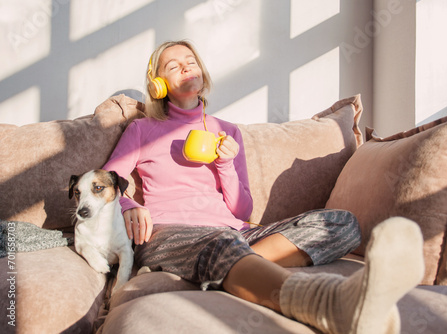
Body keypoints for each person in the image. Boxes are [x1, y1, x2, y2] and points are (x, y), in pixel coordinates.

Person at [103, 40, 424, 334]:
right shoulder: (143, 130)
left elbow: (242, 210)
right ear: (158, 86)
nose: (186, 67)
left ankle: (228, 270)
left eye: (190, 61)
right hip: (169, 231)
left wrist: (225, 164)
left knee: (342, 223)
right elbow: (106, 181)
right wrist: (130, 205)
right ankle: (328, 304)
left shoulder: (226, 132)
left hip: (235, 232)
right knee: (222, 243)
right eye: (172, 66)